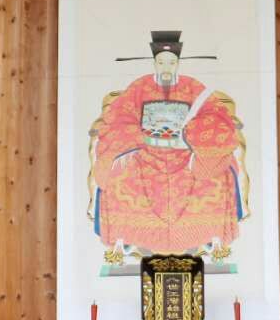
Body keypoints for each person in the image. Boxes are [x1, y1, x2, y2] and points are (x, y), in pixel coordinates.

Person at [89, 31, 248, 258]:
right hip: (145, 151)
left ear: (177, 63)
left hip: (187, 151)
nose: (166, 67)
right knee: (119, 174)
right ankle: (126, 238)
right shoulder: (139, 87)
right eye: (161, 62)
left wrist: (192, 135)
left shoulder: (193, 87)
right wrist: (138, 138)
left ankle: (210, 237)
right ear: (155, 63)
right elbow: (120, 117)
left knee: (215, 174)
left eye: (171, 63)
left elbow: (215, 116)